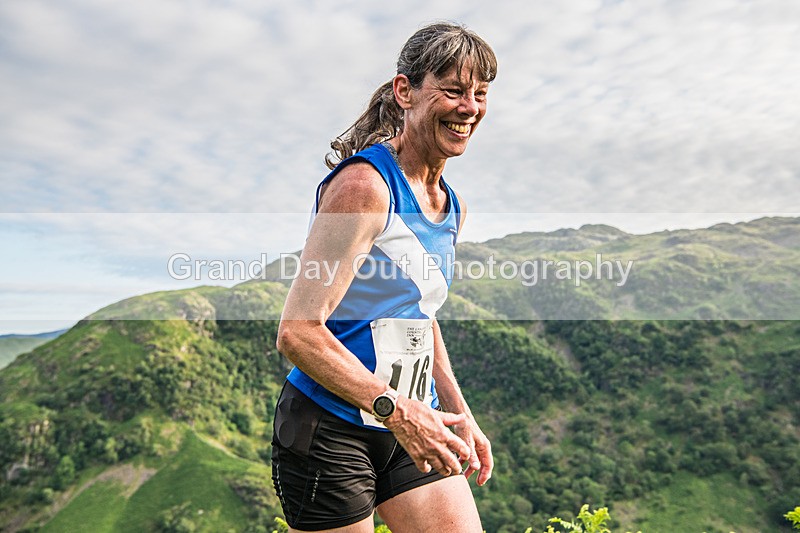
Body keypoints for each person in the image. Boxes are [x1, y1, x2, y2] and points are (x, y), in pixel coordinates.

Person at [272, 22, 497, 533]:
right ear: (405, 92)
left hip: (410, 419)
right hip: (329, 427)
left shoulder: (451, 206)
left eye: (480, 94)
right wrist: (398, 411)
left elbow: (421, 317)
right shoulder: (363, 188)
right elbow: (297, 332)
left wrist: (461, 415)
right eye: (453, 90)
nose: (469, 108)